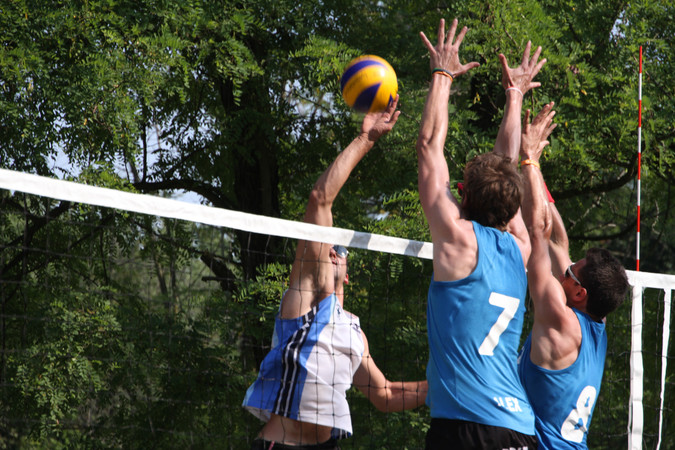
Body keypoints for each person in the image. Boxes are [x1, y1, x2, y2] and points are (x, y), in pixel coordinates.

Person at [243, 95, 428, 450]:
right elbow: (319, 200)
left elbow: (385, 394)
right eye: (329, 244)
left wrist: (441, 385)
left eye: (340, 249)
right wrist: (366, 139)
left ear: (347, 273)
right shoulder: (303, 303)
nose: (331, 249)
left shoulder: (355, 333)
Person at [416, 17, 546, 449]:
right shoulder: (521, 248)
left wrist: (443, 74)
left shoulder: (455, 237)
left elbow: (431, 143)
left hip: (466, 429)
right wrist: (514, 96)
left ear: (463, 194)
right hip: (519, 429)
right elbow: (505, 170)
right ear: (513, 211)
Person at [517, 103, 630, 449]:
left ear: (579, 293)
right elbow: (557, 240)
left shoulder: (560, 318)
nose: (563, 269)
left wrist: (528, 161)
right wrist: (534, 163)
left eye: (570, 273)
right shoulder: (596, 323)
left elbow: (539, 233)